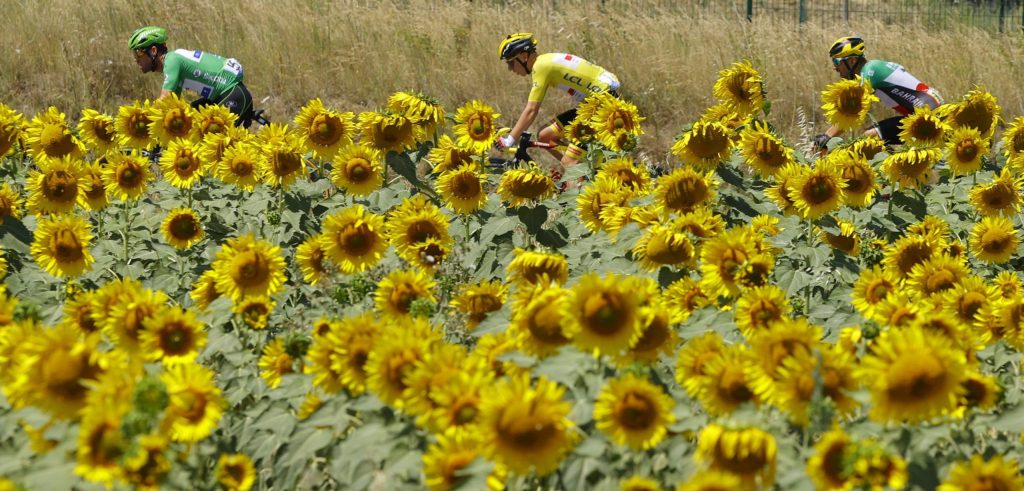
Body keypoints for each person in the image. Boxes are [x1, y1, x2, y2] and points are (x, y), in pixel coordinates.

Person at [494, 32, 621, 170]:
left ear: (524, 56)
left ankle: (579, 174)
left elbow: (531, 110)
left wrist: (509, 140)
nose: (510, 69)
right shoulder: (544, 61)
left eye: (511, 63)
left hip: (603, 106)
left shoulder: (540, 67)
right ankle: (585, 169)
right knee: (544, 136)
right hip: (596, 103)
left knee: (569, 162)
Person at [814, 36, 943, 150]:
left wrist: (827, 136)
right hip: (926, 112)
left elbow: (855, 113)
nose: (835, 68)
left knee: (868, 138)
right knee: (873, 137)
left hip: (928, 115)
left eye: (837, 62)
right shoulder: (872, 68)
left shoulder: (870, 71)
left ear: (852, 61)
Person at [129, 26, 257, 127]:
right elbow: (171, 106)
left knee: (209, 143)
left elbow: (164, 99)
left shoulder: (172, 60)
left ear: (153, 51)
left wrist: (141, 119)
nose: (136, 60)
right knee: (187, 121)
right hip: (225, 95)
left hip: (233, 94)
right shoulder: (174, 64)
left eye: (138, 54)